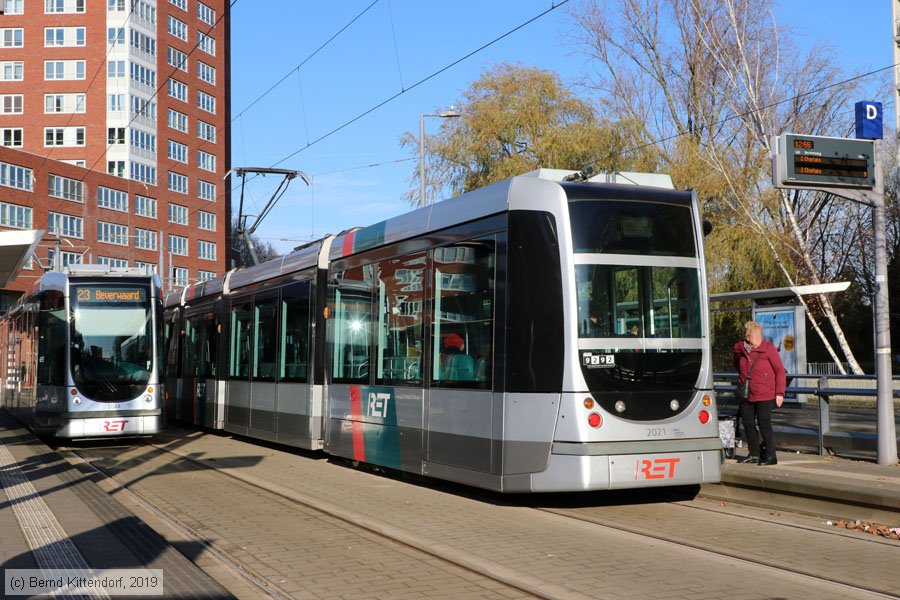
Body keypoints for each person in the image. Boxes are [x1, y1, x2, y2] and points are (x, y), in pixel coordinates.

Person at [733, 320, 786, 465]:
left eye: (759, 335)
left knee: (764, 423)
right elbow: (737, 365)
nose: (757, 338)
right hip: (747, 393)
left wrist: (779, 393)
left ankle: (770, 455)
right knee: (748, 423)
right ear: (747, 336)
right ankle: (754, 453)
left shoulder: (768, 349)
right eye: (753, 335)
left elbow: (780, 371)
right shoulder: (739, 349)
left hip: (765, 393)